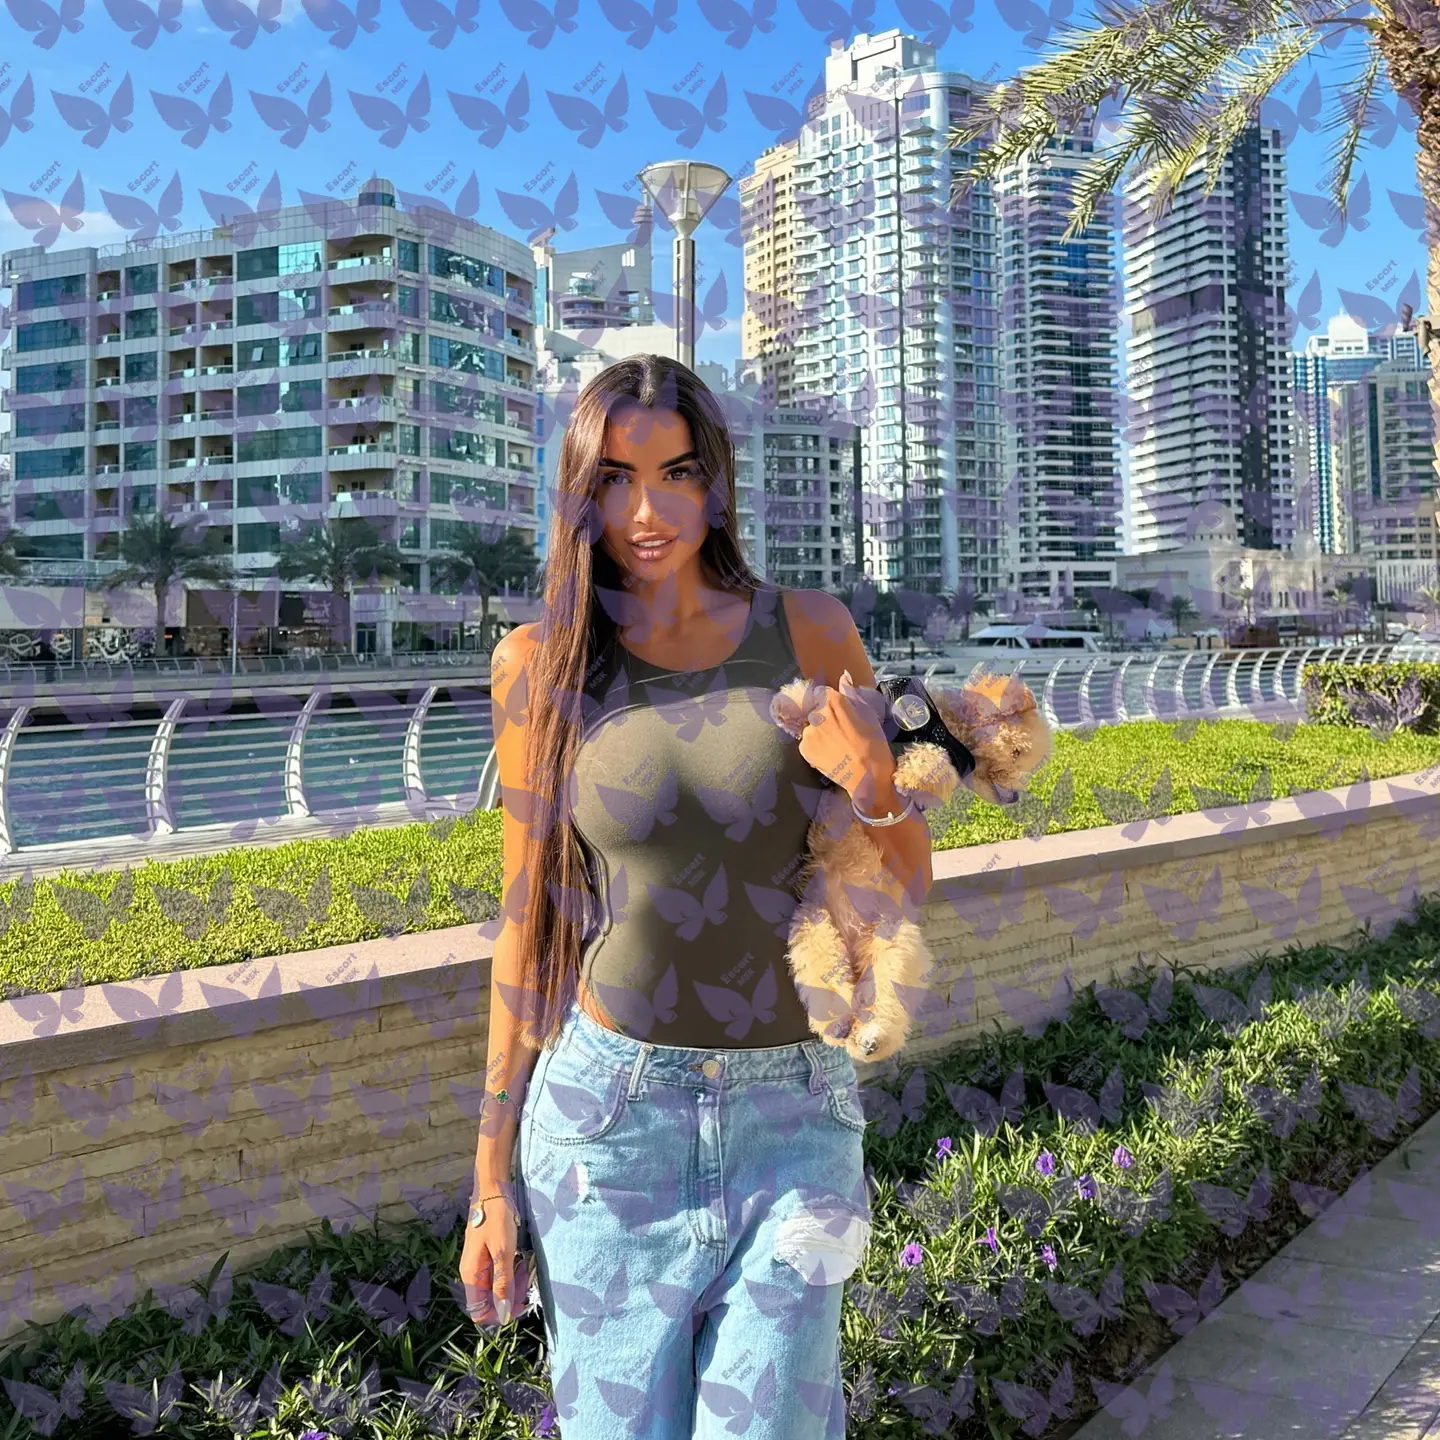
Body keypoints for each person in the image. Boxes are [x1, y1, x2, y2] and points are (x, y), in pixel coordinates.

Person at [457, 355, 934, 1438]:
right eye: (616, 480)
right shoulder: (538, 665)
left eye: (676, 474)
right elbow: (530, 920)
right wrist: (490, 1181)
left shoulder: (810, 631)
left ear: (715, 484)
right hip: (608, 1127)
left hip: (793, 1122)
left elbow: (903, 886)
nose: (648, 511)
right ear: (580, 494)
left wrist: (872, 784)